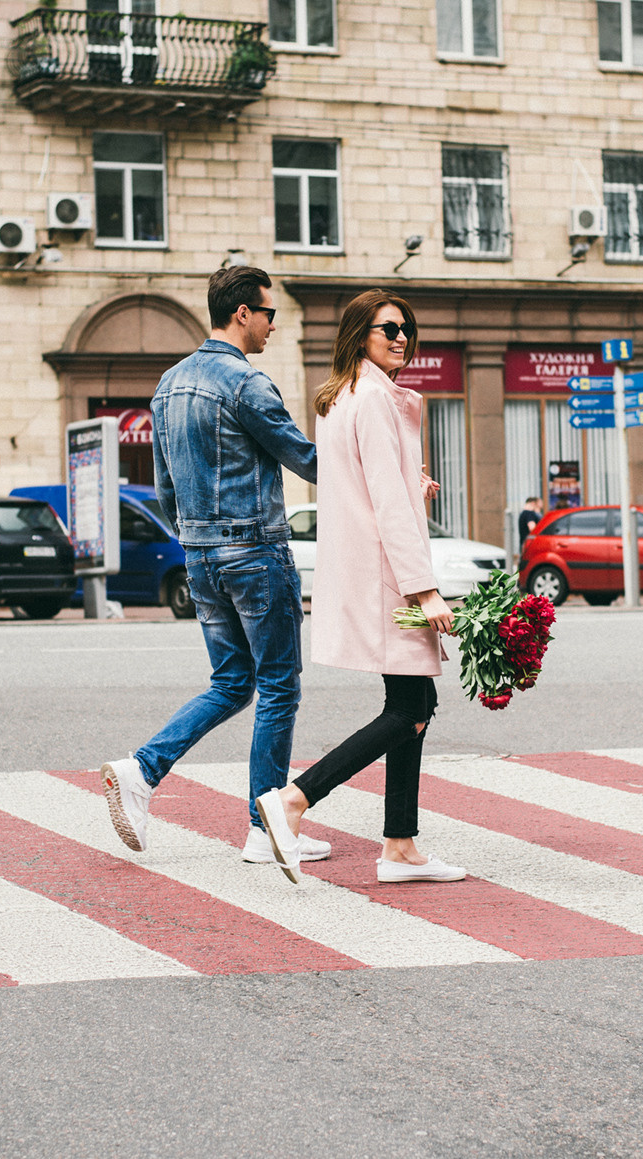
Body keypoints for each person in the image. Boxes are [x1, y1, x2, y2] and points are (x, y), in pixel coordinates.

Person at [100, 263, 329, 869]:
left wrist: (198, 542)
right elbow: (306, 460)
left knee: (232, 683)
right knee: (278, 685)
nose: (274, 326)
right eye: (269, 313)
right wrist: (383, 478)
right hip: (256, 552)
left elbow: (165, 489)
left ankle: (141, 771)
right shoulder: (247, 384)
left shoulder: (168, 385)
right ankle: (264, 827)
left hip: (200, 555)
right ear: (243, 313)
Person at [254, 290, 465, 885]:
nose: (402, 337)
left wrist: (408, 484)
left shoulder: (340, 397)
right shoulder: (374, 399)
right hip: (388, 579)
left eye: (407, 328)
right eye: (388, 328)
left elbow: (363, 487)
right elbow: (386, 502)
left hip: (369, 569)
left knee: (412, 705)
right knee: (411, 706)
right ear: (359, 334)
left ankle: (400, 847)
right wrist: (424, 591)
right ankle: (294, 800)